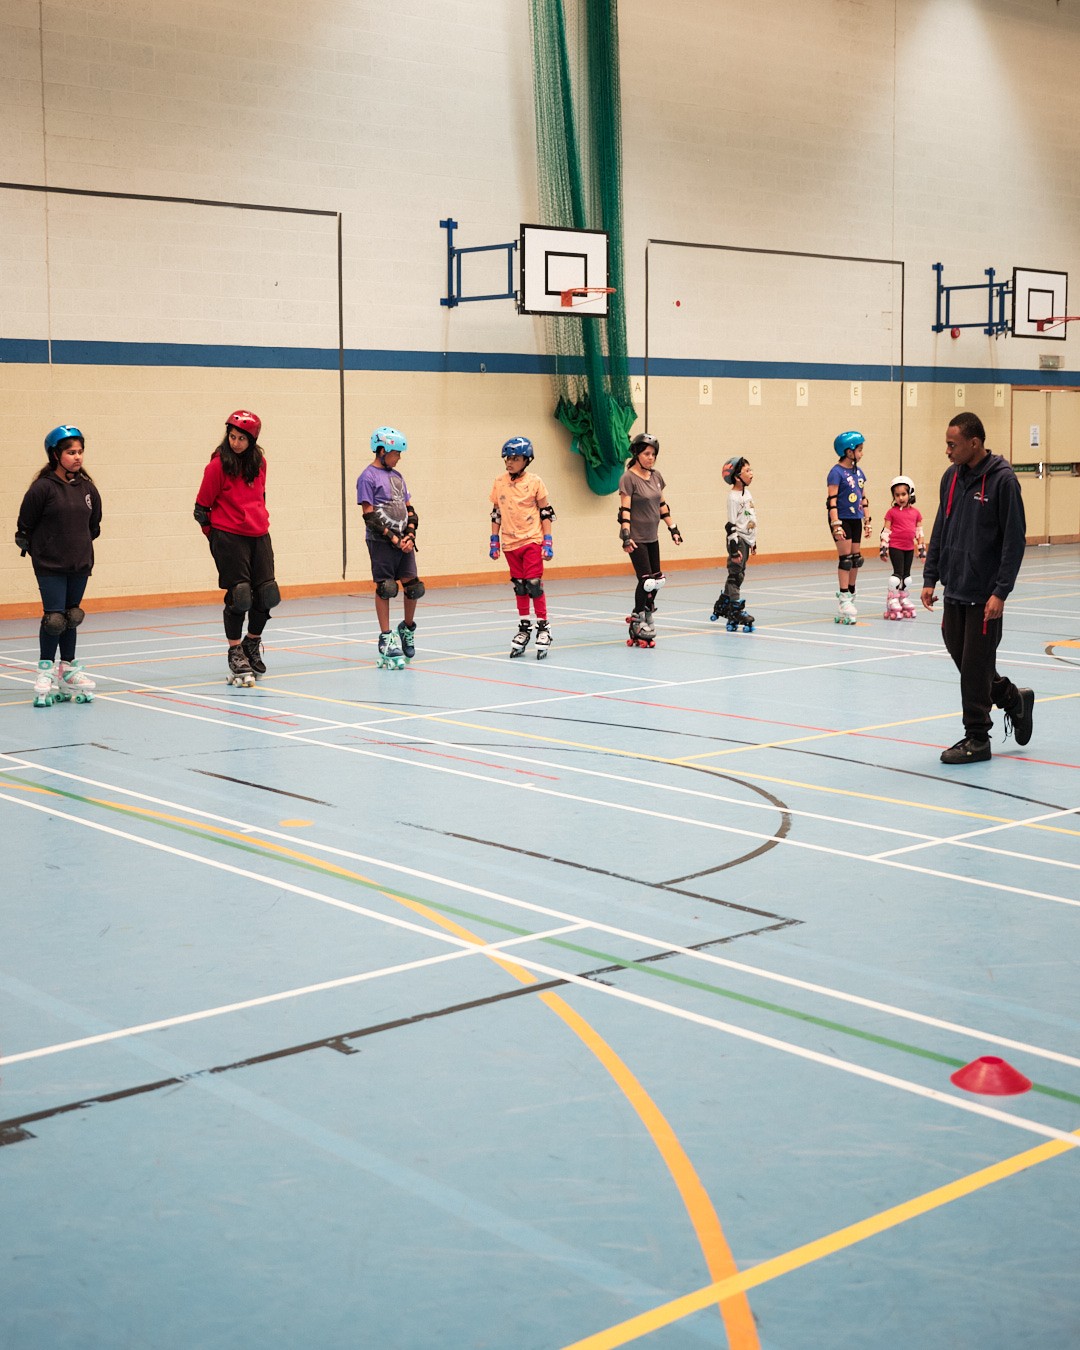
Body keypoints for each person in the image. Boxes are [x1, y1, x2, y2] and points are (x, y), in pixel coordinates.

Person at [921, 412, 1033, 764]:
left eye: (952, 445)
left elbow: (1014, 542)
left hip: (985, 595)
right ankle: (1011, 697)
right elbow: (942, 527)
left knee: (973, 667)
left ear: (974, 443)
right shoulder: (951, 478)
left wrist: (1001, 591)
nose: (948, 451)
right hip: (955, 589)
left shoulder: (1003, 482)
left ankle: (977, 738)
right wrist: (930, 576)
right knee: (969, 661)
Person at [16, 424, 103, 707]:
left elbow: (94, 526)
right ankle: (45, 671)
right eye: (70, 452)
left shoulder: (88, 489)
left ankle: (68, 668)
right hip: (50, 564)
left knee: (72, 615)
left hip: (79, 562)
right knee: (54, 619)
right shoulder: (43, 488)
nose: (77, 457)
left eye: (80, 452)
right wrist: (45, 551)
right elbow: (24, 528)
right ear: (55, 455)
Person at [194, 410, 280, 688]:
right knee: (240, 595)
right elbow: (201, 509)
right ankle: (235, 651)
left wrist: (258, 520)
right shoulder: (218, 466)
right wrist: (215, 536)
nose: (236, 442)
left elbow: (260, 496)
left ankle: (252, 644)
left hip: (258, 533)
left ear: (252, 440)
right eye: (232, 436)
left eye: (242, 438)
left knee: (267, 594)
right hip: (228, 536)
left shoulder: (260, 463)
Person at [357, 426, 424, 669]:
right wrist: (394, 539)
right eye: (396, 453)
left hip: (402, 541)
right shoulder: (368, 477)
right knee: (386, 587)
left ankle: (406, 628)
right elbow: (369, 516)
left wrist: (410, 535)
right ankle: (386, 636)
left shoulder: (398, 477)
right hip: (381, 541)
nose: (399, 458)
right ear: (383, 450)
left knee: (413, 586)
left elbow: (410, 509)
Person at [488, 436, 555, 659]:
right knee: (519, 585)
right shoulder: (499, 482)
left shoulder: (535, 482)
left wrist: (548, 541)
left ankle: (544, 626)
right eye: (507, 458)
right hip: (510, 543)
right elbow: (496, 512)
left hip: (532, 540)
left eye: (515, 458)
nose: (509, 462)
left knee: (534, 584)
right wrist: (494, 540)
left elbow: (546, 512)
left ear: (526, 460)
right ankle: (524, 626)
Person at [618, 432, 682, 647]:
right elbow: (625, 508)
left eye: (653, 454)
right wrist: (626, 535)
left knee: (658, 580)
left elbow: (662, 505)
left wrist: (673, 528)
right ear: (636, 454)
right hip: (636, 538)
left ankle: (647, 611)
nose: (651, 458)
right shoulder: (628, 478)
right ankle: (637, 618)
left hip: (652, 536)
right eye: (646, 453)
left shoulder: (656, 477)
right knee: (646, 581)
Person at [826, 431, 871, 624]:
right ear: (848, 451)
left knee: (855, 559)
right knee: (845, 559)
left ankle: (851, 594)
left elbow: (863, 497)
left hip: (855, 518)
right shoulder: (835, 472)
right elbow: (831, 500)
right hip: (841, 519)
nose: (861, 453)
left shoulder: (859, 472)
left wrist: (867, 520)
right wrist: (835, 524)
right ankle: (843, 598)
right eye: (859, 450)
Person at [710, 456, 756, 632]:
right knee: (735, 575)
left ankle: (723, 603)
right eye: (747, 471)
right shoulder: (733, 497)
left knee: (740, 575)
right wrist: (735, 550)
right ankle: (735, 609)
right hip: (737, 541)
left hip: (746, 539)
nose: (751, 473)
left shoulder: (747, 493)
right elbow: (731, 525)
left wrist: (753, 541)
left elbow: (749, 518)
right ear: (737, 476)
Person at [879, 475, 925, 620]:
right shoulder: (891, 512)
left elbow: (919, 532)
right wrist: (883, 548)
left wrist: (922, 549)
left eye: (903, 494)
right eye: (897, 495)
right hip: (896, 546)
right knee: (897, 575)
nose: (900, 498)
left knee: (907, 577)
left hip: (909, 547)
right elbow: (886, 530)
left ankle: (903, 597)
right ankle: (892, 598)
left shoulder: (916, 512)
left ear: (910, 493)